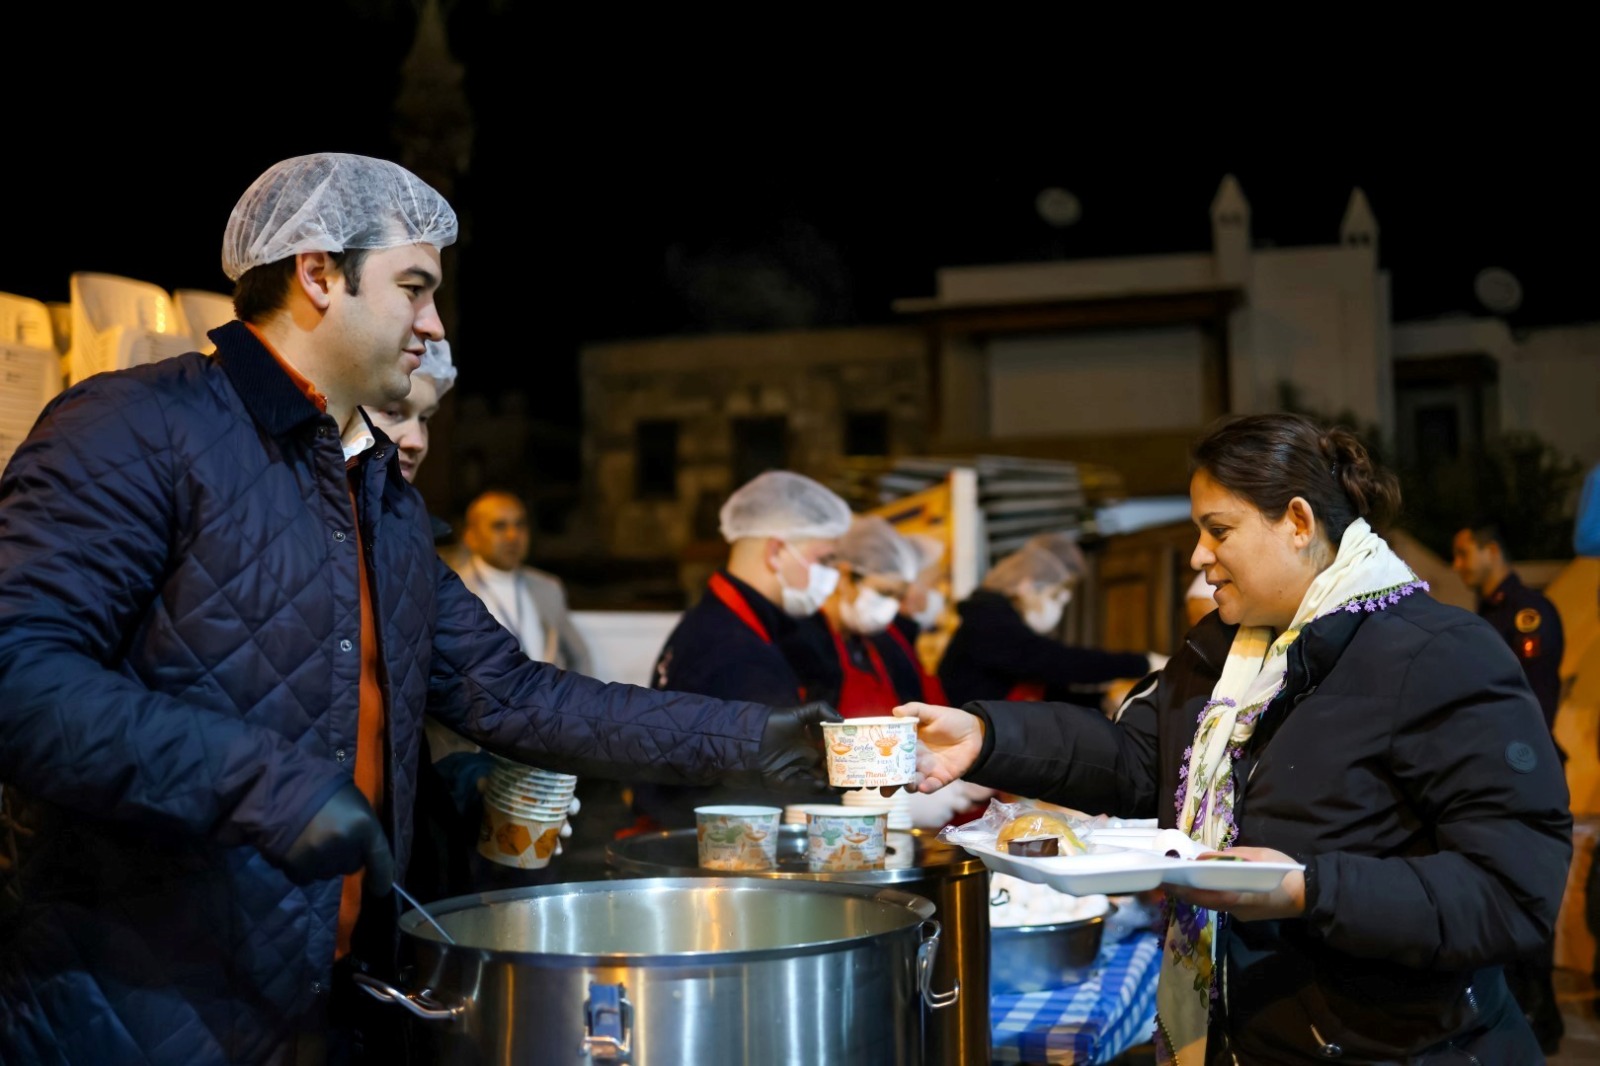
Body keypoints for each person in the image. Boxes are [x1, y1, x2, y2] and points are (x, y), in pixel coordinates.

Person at [0, 152, 837, 1066]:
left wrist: (764, 739)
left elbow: (517, 697)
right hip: (141, 1010)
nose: (434, 325)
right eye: (413, 287)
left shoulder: (376, 499)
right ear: (319, 273)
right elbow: (20, 676)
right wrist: (265, 784)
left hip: (327, 1005)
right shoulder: (132, 427)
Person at [898, 412, 1571, 1063]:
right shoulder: (1224, 652)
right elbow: (1137, 759)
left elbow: (1510, 892)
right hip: (1244, 1036)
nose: (1199, 557)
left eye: (1218, 531)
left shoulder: (1439, 655)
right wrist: (986, 735)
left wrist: (1308, 890)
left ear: (1299, 523)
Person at [634, 469, 852, 830]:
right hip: (703, 841)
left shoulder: (720, 619)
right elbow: (770, 782)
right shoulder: (733, 648)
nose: (832, 576)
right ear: (776, 551)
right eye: (825, 559)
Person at [1450, 521, 1567, 1052]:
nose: (1459, 565)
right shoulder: (1487, 617)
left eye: (1464, 553)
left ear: (1492, 550)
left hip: (1523, 772)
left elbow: (1532, 705)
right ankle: (1520, 1008)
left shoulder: (1528, 614)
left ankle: (1542, 1014)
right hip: (1493, 774)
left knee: (1525, 889)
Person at [936, 541, 1158, 708]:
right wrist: (1142, 663)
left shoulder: (992, 615)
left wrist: (1101, 701)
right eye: (1054, 596)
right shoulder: (988, 621)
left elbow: (1046, 692)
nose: (1058, 609)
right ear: (1027, 586)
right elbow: (1055, 661)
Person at [783, 515, 924, 716]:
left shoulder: (878, 644)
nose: (890, 606)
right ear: (845, 576)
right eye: (884, 592)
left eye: (898, 597)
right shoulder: (800, 639)